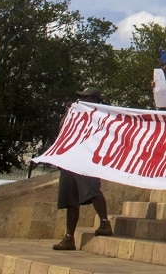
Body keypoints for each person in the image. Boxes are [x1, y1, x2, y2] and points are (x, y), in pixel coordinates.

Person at [52, 87, 114, 250]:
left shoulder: (102, 115)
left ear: (94, 99)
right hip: (71, 158)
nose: (82, 100)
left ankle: (104, 222)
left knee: (92, 190)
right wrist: (68, 113)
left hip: (88, 158)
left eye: (86, 98)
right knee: (70, 198)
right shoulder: (76, 114)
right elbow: (62, 130)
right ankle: (68, 237)